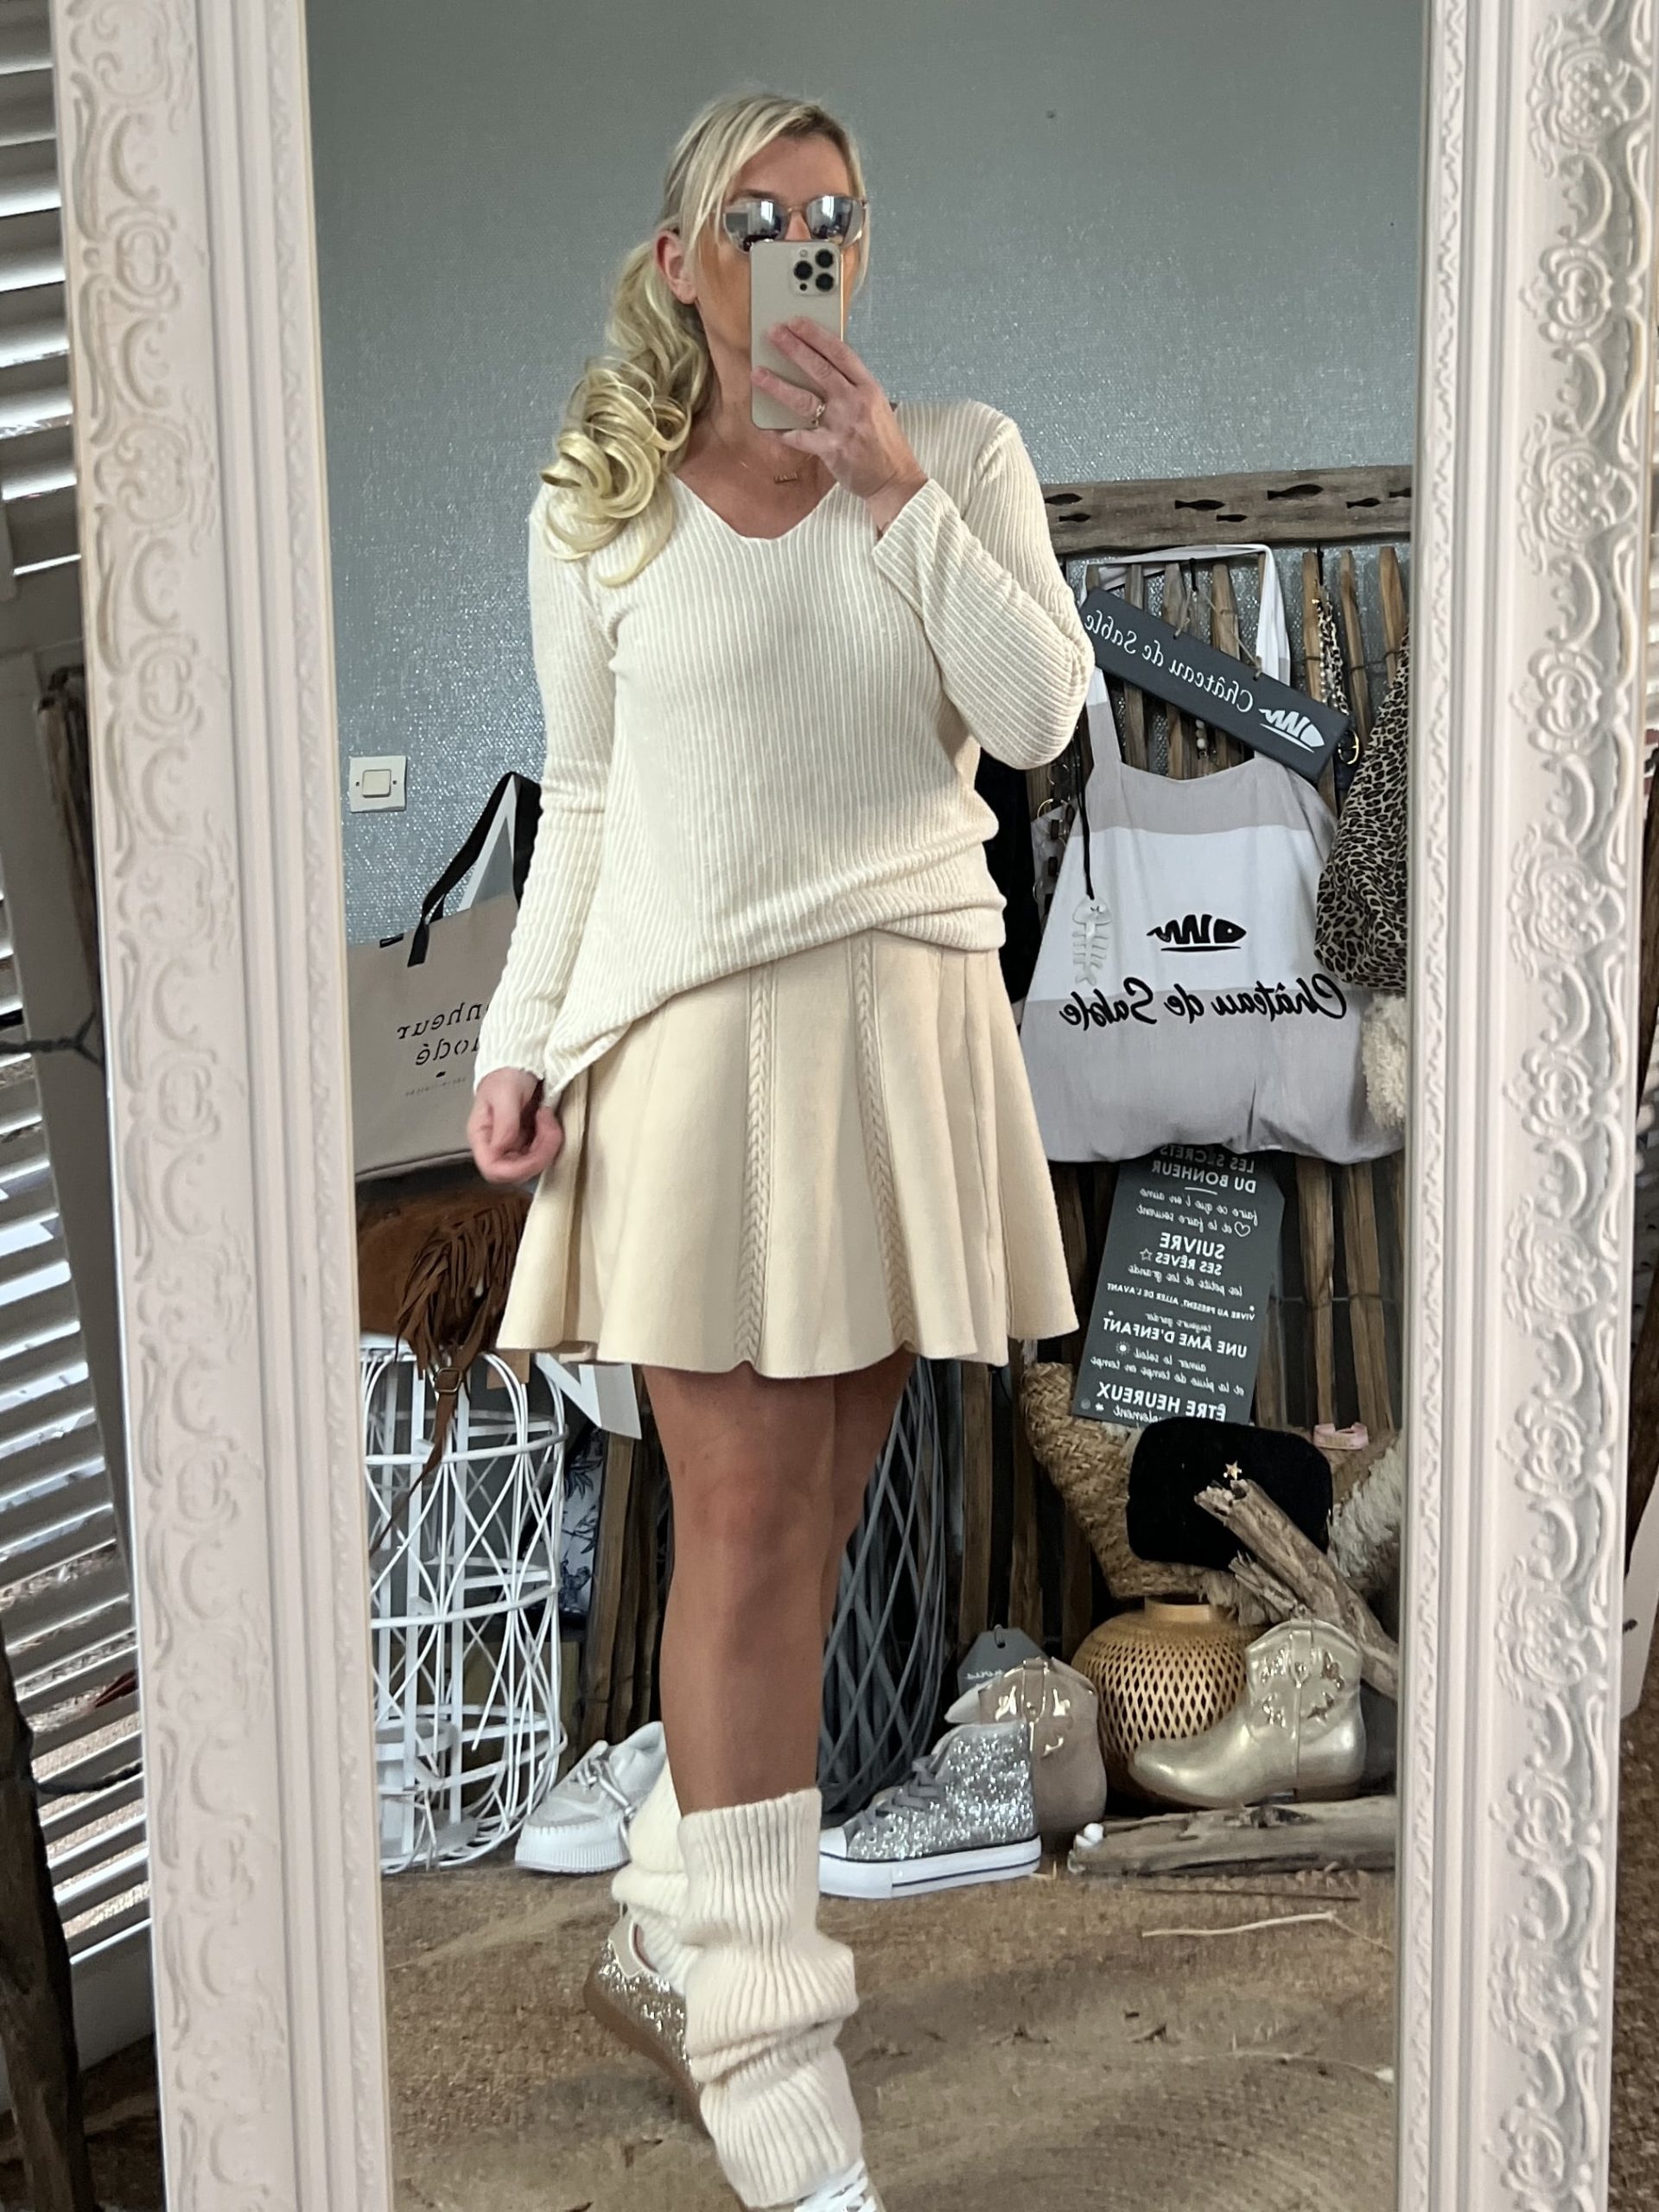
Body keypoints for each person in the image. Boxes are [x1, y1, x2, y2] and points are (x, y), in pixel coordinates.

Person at [468, 86, 1088, 2212]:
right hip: (693, 1042)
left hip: (898, 1036)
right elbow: (589, 806)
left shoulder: (962, 455)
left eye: (835, 213)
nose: (805, 240)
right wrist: (519, 1037)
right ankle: (765, 2039)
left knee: (810, 1524)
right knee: (738, 1527)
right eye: (759, 214)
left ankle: (672, 1904)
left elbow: (1038, 722)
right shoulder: (601, 507)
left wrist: (893, 488)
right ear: (681, 259)